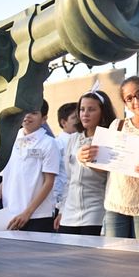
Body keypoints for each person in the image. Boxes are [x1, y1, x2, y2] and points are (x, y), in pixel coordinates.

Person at [80, 76, 139, 239]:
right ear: (125, 103)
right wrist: (85, 158)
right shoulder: (118, 125)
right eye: (129, 98)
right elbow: (104, 165)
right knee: (114, 256)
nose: (136, 101)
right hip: (115, 204)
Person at [0, 100, 60, 232]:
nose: (27, 116)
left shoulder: (49, 143)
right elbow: (7, 177)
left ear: (44, 119)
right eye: (24, 112)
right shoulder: (10, 141)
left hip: (37, 216)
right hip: (11, 214)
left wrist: (28, 212)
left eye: (34, 113)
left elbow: (49, 182)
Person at [55, 91, 115, 235]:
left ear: (103, 112)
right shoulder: (73, 139)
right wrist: (62, 210)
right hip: (69, 213)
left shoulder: (110, 138)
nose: (85, 114)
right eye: (82, 109)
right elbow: (68, 180)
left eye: (91, 109)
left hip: (96, 212)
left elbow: (111, 178)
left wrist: (90, 161)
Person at [53, 102, 78, 215]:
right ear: (63, 122)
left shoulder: (82, 140)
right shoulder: (57, 144)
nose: (79, 119)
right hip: (61, 200)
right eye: (74, 117)